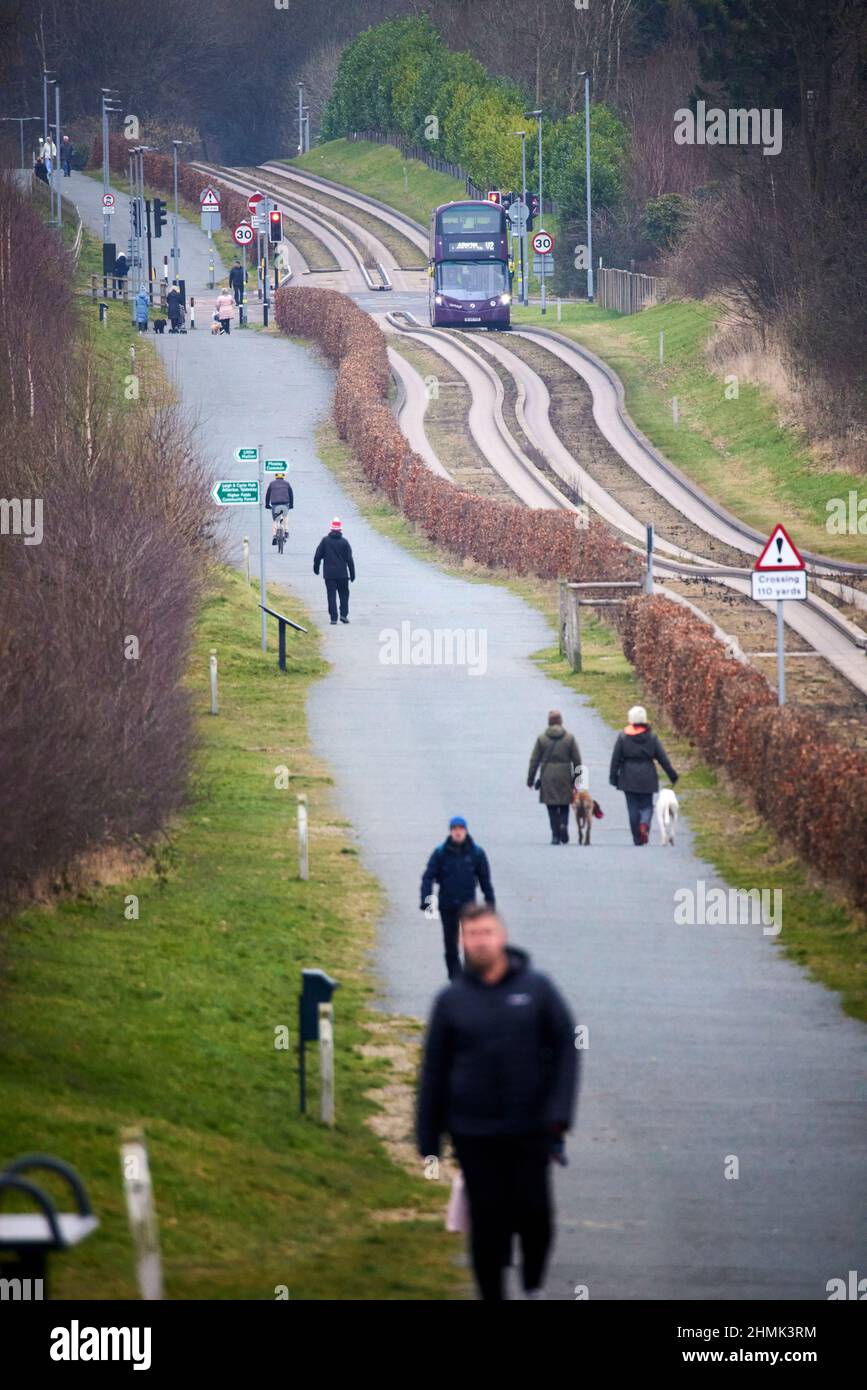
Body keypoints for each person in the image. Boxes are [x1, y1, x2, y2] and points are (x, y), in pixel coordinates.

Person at [416, 904, 578, 1302]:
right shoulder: (451, 1000)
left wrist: (558, 1114)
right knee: (488, 1222)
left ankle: (533, 1285)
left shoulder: (536, 989)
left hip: (532, 1127)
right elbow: (433, 1069)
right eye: (472, 935)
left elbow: (565, 1051)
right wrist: (428, 1138)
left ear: (501, 936)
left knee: (534, 1213)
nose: (481, 941)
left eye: (487, 932)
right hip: (473, 1131)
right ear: (462, 941)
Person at [420, 816, 495, 981]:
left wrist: (490, 905)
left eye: (461, 829)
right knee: (451, 945)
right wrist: (426, 902)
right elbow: (428, 877)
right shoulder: (440, 853)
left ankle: (470, 977)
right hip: (447, 905)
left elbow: (485, 881)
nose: (458, 832)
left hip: (469, 907)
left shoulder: (477, 853)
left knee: (470, 943)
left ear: (466, 831)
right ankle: (455, 979)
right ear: (451, 831)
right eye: (455, 829)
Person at [609, 704, 678, 846]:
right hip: (648, 775)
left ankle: (637, 838)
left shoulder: (623, 736)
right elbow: (662, 758)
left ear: (630, 719)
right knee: (647, 805)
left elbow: (615, 759)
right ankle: (645, 823)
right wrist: (672, 775)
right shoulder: (652, 737)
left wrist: (613, 777)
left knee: (632, 807)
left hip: (628, 775)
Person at [527, 710, 582, 844]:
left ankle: (555, 835)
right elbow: (577, 760)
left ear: (549, 722)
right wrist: (578, 782)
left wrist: (530, 779)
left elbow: (534, 760)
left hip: (547, 777)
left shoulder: (542, 739)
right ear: (561, 721)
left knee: (551, 807)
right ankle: (563, 825)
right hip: (565, 776)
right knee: (564, 804)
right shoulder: (570, 738)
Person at [313, 518, 355, 625]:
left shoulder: (325, 541)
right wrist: (352, 574)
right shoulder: (344, 542)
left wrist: (316, 568)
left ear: (331, 529)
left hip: (329, 575)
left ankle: (333, 617)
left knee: (331, 595)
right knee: (344, 594)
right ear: (341, 530)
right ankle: (344, 615)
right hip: (342, 575)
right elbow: (349, 560)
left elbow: (318, 556)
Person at [264, 473, 294, 545]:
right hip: (285, 504)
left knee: (275, 520)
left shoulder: (271, 484)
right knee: (285, 516)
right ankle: (286, 531)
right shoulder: (287, 484)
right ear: (283, 477)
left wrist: (267, 505)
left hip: (275, 505)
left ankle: (274, 536)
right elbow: (291, 495)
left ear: (276, 477)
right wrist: (291, 505)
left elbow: (267, 495)